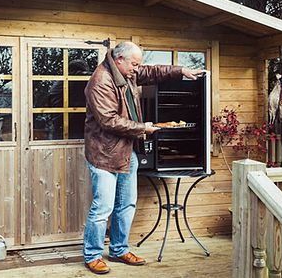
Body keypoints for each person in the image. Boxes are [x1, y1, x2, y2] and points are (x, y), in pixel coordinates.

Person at [83, 41, 205, 274]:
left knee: (126, 205)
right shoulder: (100, 82)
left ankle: (119, 249)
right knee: (103, 208)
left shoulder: (127, 73)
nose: (137, 69)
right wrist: (143, 128)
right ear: (120, 60)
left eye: (138, 64)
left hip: (128, 153)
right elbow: (109, 120)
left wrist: (180, 70)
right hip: (104, 155)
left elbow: (153, 71)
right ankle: (92, 255)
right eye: (134, 64)